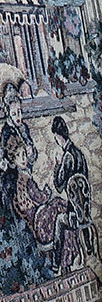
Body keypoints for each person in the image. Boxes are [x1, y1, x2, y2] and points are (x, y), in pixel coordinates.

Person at [5, 133, 77, 274]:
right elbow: (39, 197)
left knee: (60, 207)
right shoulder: (23, 178)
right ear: (13, 160)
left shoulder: (24, 175)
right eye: (19, 156)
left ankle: (62, 260)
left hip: (37, 214)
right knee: (60, 210)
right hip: (37, 219)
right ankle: (62, 260)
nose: (23, 159)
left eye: (24, 154)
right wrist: (47, 190)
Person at [52, 115, 94, 260]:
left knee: (59, 220)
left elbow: (58, 186)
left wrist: (57, 165)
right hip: (86, 214)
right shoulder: (80, 154)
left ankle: (56, 261)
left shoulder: (67, 157)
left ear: (58, 137)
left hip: (74, 217)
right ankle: (88, 246)